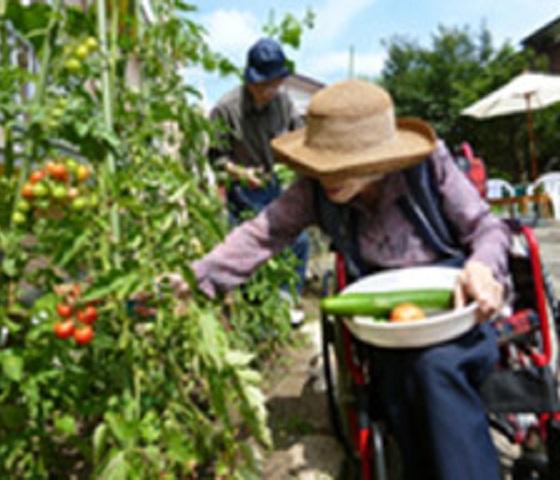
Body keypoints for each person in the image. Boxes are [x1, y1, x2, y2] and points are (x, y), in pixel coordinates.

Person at [169, 79, 509, 479]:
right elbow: (263, 233)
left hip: (457, 304)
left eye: (345, 168)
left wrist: (483, 268)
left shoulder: (425, 167)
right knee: (396, 380)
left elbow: (487, 228)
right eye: (323, 166)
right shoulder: (314, 190)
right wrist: (194, 280)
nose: (329, 178)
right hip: (385, 326)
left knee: (435, 368)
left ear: (383, 159)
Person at [208, 37, 310, 324]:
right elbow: (215, 158)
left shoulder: (283, 103)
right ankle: (251, 311)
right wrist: (241, 173)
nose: (270, 90)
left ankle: (286, 303)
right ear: (250, 79)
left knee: (298, 242)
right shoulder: (226, 110)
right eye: (264, 84)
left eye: (275, 83)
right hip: (244, 190)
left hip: (276, 186)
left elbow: (298, 136)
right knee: (246, 249)